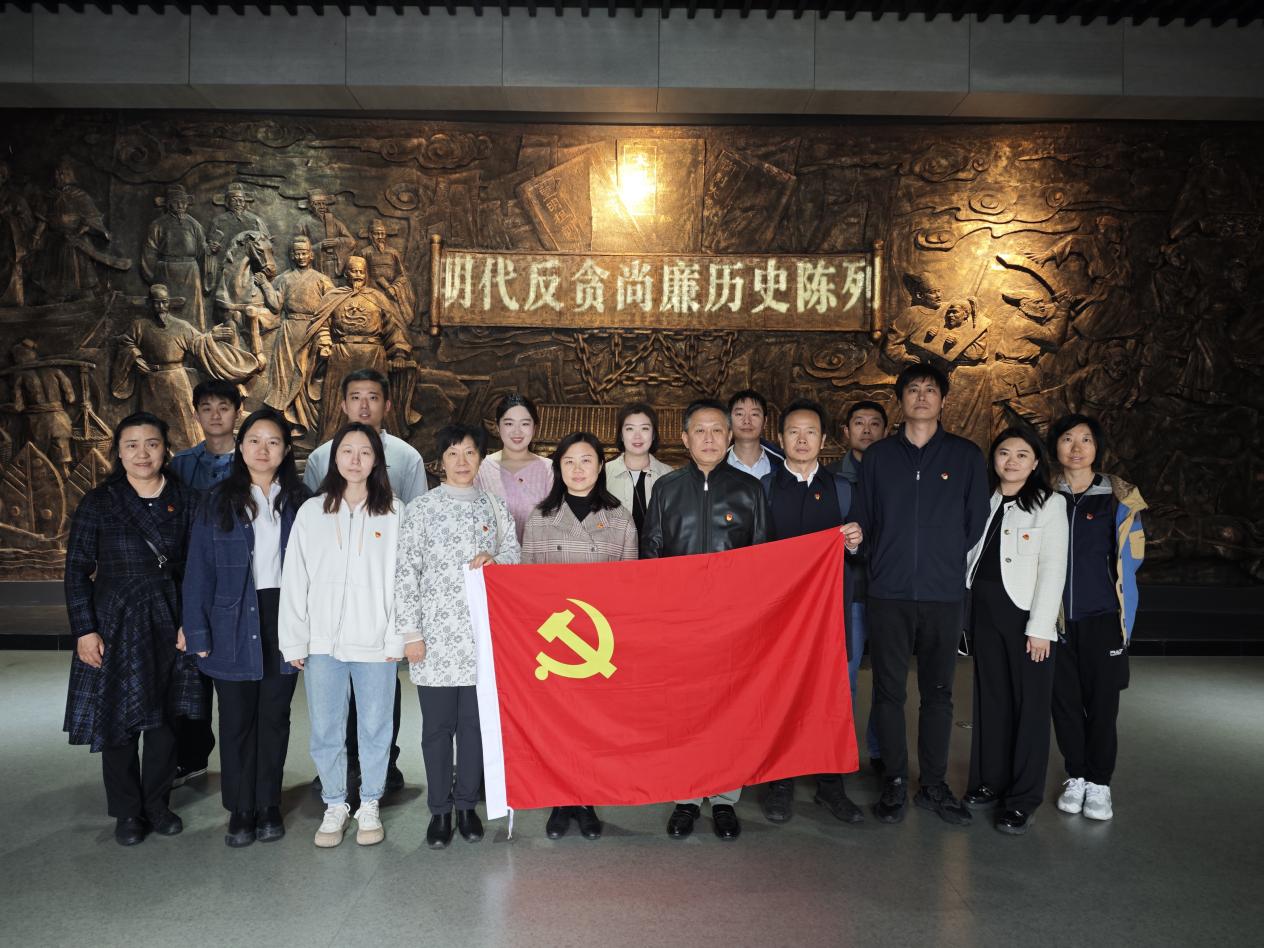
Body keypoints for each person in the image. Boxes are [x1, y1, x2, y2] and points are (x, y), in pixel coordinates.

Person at [852, 363, 989, 827]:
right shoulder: (879, 457)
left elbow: (975, 521)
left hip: (942, 594)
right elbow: (864, 518)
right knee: (888, 691)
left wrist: (941, 560)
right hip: (888, 592)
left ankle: (933, 784)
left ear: (943, 400)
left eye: (931, 390)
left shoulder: (965, 456)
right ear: (901, 399)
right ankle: (893, 780)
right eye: (914, 389)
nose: (923, 396)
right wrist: (879, 557)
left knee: (939, 693)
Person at [63, 413, 203, 846]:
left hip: (170, 618)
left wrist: (192, 621)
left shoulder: (187, 499)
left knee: (165, 720)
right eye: (132, 445)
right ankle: (127, 811)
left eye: (152, 444)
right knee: (116, 719)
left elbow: (200, 569)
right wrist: (85, 630)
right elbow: (76, 570)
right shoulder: (99, 502)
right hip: (114, 620)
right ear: (118, 453)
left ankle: (157, 805)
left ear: (166, 449)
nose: (143, 453)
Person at [641, 398, 769, 842]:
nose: (709, 438)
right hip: (680, 624)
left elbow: (762, 560)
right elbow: (651, 555)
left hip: (732, 624)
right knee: (684, 712)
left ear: (730, 436)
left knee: (729, 711)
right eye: (700, 430)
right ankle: (686, 797)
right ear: (684, 438)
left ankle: (725, 799)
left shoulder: (750, 491)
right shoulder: (666, 489)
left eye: (718, 430)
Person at [182, 409, 311, 847]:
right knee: (236, 718)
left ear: (286, 450)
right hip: (231, 616)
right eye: (254, 440)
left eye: (273, 441)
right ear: (240, 448)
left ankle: (268, 803)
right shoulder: (218, 500)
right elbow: (198, 568)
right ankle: (240, 808)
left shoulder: (302, 502)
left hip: (283, 615)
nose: (262, 449)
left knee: (275, 717)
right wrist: (197, 631)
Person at [395, 424, 520, 850]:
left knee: (474, 727)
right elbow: (405, 572)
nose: (462, 461)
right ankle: (439, 810)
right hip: (434, 639)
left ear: (481, 458)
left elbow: (515, 556)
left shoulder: (495, 507)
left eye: (470, 452)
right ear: (440, 461)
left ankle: (467, 805)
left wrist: (496, 560)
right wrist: (411, 634)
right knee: (437, 729)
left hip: (483, 639)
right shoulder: (421, 509)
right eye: (453, 453)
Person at [280, 423, 404, 848]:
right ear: (334, 458)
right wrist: (294, 639)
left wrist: (396, 637)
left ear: (376, 460)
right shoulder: (312, 512)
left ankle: (369, 802)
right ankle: (335, 803)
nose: (355, 459)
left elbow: (402, 581)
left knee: (375, 727)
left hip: (375, 643)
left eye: (364, 452)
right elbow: (294, 578)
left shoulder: (395, 512)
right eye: (347, 451)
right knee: (326, 728)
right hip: (322, 643)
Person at [304, 367, 426, 792]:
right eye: (355, 397)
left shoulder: (407, 457)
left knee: (380, 693)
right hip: (335, 595)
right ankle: (340, 770)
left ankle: (383, 765)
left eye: (372, 397)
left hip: (380, 592)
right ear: (343, 404)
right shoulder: (322, 456)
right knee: (332, 697)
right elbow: (315, 523)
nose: (364, 405)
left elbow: (415, 523)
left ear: (387, 404)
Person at [522, 432, 638, 841]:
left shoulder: (620, 517)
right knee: (557, 723)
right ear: (558, 467)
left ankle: (586, 798)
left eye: (586, 460)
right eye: (569, 461)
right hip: (555, 641)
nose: (577, 469)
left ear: (601, 466)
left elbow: (630, 584)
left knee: (591, 725)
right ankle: (560, 798)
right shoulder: (540, 517)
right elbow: (525, 584)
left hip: (599, 638)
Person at [758, 399, 865, 827]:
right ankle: (779, 781)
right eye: (793, 432)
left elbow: (863, 551)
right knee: (779, 694)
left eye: (810, 433)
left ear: (823, 440)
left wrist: (854, 543)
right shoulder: (764, 489)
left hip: (829, 612)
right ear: (780, 439)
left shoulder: (843, 489)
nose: (802, 440)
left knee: (830, 696)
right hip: (778, 615)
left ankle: (830, 784)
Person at [962, 427, 1068, 835]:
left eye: (1022, 454)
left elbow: (1053, 567)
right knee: (991, 702)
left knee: (1030, 709)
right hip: (984, 615)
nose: (1011, 461)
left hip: (1025, 619)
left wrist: (1041, 627)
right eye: (1004, 453)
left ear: (1036, 462)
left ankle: (1022, 799)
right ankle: (989, 782)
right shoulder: (985, 499)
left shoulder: (1049, 503)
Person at [1047, 414, 1147, 822]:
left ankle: (1100, 783)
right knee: (1064, 704)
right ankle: (1077, 775)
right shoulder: (1045, 494)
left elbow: (1132, 559)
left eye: (1085, 439)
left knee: (1103, 705)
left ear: (1097, 447)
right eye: (1067, 439)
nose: (1076, 447)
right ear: (1055, 446)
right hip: (1055, 620)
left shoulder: (1117, 497)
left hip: (1103, 617)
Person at [168, 378, 243, 790]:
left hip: (237, 581)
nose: (215, 415)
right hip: (192, 577)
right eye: (207, 408)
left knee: (233, 681)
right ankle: (192, 757)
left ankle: (239, 765)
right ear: (196, 413)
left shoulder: (250, 459)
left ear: (237, 412)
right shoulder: (180, 464)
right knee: (189, 676)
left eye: (224, 407)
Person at [828, 399, 889, 773]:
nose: (866, 430)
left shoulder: (897, 474)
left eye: (874, 423)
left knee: (887, 679)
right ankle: (843, 754)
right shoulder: (831, 478)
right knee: (845, 678)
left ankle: (880, 752)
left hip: (888, 591)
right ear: (845, 431)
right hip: (848, 591)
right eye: (859, 423)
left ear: (886, 430)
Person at [475, 393, 553, 543]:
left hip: (538, 555)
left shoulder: (549, 469)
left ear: (534, 427)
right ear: (498, 426)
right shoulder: (481, 469)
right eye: (509, 424)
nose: (517, 431)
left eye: (525, 424)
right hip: (494, 556)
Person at [604, 402, 674, 533]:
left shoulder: (669, 475)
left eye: (645, 428)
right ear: (621, 435)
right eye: (630, 429)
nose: (637, 436)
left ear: (653, 435)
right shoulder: (603, 473)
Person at [725, 388, 784, 479]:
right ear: (729, 420)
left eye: (754, 414)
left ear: (765, 421)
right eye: (739, 414)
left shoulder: (782, 462)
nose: (747, 421)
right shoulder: (716, 463)